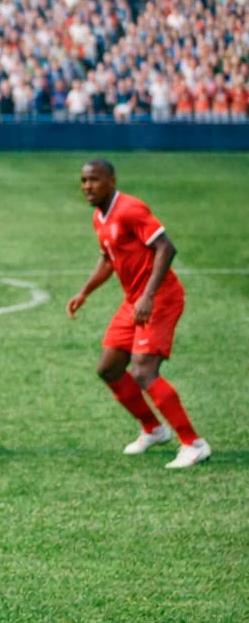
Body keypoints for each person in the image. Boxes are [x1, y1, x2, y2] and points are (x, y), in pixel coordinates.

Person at [66, 159, 209, 468]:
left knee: (144, 371)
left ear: (112, 181)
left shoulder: (130, 209)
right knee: (109, 368)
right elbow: (108, 260)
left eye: (94, 180)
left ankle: (193, 443)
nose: (87, 186)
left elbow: (166, 248)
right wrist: (84, 292)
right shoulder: (99, 217)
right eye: (83, 180)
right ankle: (154, 429)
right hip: (136, 300)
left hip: (159, 298)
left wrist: (148, 295)